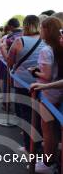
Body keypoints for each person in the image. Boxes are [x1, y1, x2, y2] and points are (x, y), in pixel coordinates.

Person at [2, 15, 46, 153]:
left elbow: (9, 62)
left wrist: (3, 49)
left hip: (23, 84)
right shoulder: (45, 40)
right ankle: (37, 146)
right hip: (41, 84)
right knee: (39, 116)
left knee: (25, 115)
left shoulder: (19, 41)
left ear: (25, 25)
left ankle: (29, 147)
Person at [29, 17, 63, 172]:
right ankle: (53, 159)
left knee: (48, 130)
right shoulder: (57, 47)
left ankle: (47, 163)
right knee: (54, 130)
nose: (39, 31)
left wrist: (34, 71)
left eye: (42, 28)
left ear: (46, 30)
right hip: (58, 93)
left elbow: (47, 76)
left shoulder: (46, 49)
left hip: (48, 93)